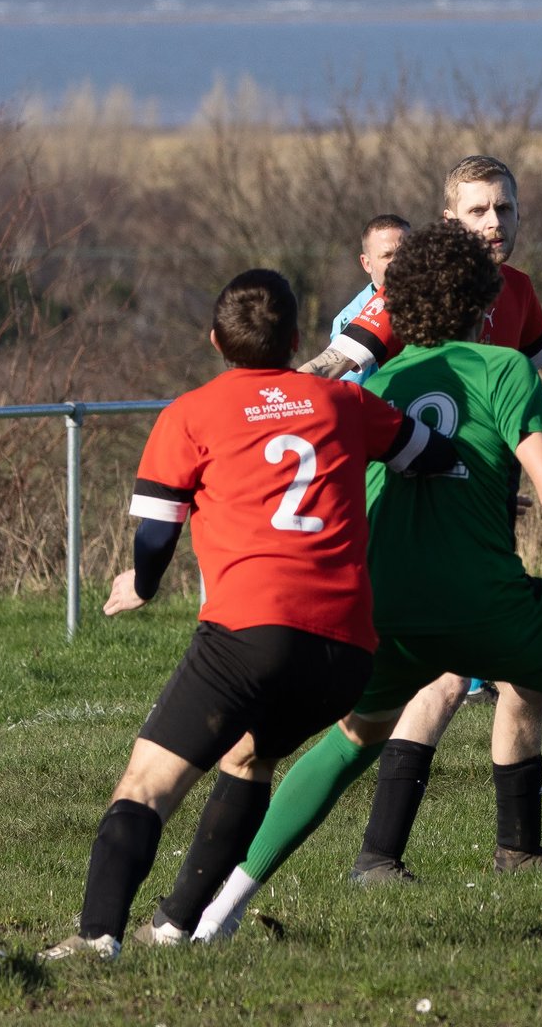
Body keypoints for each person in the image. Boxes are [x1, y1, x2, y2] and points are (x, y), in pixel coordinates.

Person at [194, 220, 542, 937]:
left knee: (353, 738)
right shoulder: (504, 369)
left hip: (387, 615)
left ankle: (217, 915)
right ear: (483, 305)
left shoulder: (374, 381)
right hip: (488, 609)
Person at [41, 269, 459, 958]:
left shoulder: (193, 413)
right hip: (347, 651)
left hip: (250, 634)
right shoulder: (340, 401)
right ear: (297, 338)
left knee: (146, 786)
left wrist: (143, 584)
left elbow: (155, 531)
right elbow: (431, 453)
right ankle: (176, 926)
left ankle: (95, 941)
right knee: (247, 761)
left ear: (214, 341)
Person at [300, 157, 542, 883]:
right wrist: (262, 399)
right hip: (415, 507)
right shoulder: (416, 291)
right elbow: (339, 361)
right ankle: (378, 855)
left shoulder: (519, 294)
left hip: (483, 503)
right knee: (440, 680)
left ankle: (518, 847)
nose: (494, 224)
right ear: (449, 220)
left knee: (523, 676)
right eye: (478, 212)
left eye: (505, 209)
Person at [329, 213, 411, 383]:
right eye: (387, 255)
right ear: (367, 263)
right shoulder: (353, 319)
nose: (399, 262)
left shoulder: (438, 300)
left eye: (406, 251)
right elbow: (349, 391)